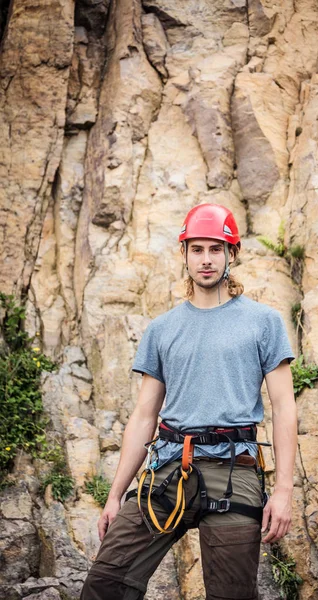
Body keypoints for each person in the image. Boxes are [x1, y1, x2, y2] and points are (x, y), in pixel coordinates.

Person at [80, 203, 297, 600]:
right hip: (167, 469)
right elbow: (144, 416)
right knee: (105, 584)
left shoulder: (263, 322)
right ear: (184, 254)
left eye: (216, 249)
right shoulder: (162, 329)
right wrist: (115, 496)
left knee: (230, 596)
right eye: (197, 249)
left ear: (233, 254)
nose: (206, 259)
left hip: (235, 470)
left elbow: (284, 408)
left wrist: (283, 491)